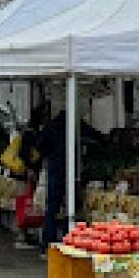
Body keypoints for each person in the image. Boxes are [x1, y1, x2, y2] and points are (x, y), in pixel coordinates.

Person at [37, 109, 103, 256]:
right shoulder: (76, 125)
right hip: (71, 169)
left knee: (52, 207)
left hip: (55, 168)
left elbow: (40, 146)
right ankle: (70, 240)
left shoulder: (51, 125)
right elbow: (96, 136)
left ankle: (47, 244)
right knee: (72, 207)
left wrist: (50, 154)